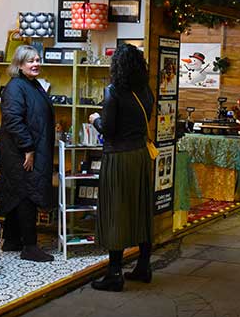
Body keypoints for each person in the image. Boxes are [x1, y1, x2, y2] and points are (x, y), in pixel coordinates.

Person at [88, 44, 154, 292]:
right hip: (140, 156)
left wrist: (95, 120)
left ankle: (114, 273)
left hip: (118, 158)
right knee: (141, 209)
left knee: (116, 211)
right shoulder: (145, 91)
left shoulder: (113, 92)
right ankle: (144, 266)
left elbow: (109, 130)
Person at [0, 45, 55, 262]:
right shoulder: (15, 87)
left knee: (19, 192)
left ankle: (12, 240)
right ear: (19, 65)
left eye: (37, 59)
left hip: (31, 148)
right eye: (30, 61)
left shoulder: (32, 84)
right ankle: (29, 247)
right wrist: (28, 149)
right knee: (26, 195)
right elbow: (13, 120)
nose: (36, 64)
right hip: (21, 152)